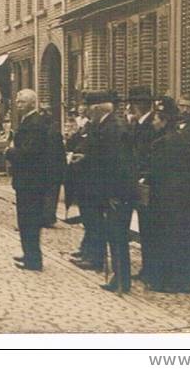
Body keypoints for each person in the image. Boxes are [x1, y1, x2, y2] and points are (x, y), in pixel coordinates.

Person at [141, 98, 190, 293]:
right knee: (185, 238)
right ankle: (187, 279)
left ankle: (167, 281)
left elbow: (158, 172)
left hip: (166, 199)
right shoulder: (180, 139)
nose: (153, 123)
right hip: (183, 198)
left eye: (155, 119)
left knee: (167, 239)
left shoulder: (164, 143)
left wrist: (146, 180)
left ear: (162, 121)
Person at [80, 91, 136, 292]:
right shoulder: (103, 126)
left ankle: (122, 281)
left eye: (88, 107)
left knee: (118, 236)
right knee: (113, 235)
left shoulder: (114, 128)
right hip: (109, 192)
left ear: (96, 109)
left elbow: (119, 165)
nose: (86, 111)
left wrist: (113, 194)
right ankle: (118, 278)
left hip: (118, 193)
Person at [5, 89, 63, 271]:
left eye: (21, 102)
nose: (17, 104)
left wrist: (10, 152)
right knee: (25, 219)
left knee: (29, 219)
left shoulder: (35, 124)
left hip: (31, 181)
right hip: (27, 181)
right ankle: (29, 254)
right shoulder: (29, 121)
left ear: (31, 103)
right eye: (17, 101)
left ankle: (33, 259)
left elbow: (29, 152)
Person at [127, 85, 159, 279]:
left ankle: (151, 269)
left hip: (147, 183)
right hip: (138, 181)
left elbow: (148, 155)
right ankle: (148, 267)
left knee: (149, 227)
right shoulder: (138, 124)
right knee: (144, 226)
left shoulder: (150, 126)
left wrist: (142, 175)